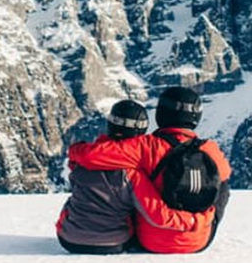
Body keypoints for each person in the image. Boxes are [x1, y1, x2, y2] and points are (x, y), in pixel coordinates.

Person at [68, 87, 231, 253]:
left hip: (151, 240)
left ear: (161, 113)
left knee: (132, 180)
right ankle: (198, 228)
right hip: (200, 238)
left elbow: (91, 156)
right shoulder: (210, 149)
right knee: (222, 183)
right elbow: (223, 184)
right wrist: (200, 220)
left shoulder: (145, 146)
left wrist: (76, 149)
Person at [56, 99, 199, 254]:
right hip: (113, 243)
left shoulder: (81, 161)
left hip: (68, 240)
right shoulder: (132, 174)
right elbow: (158, 215)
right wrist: (193, 220)